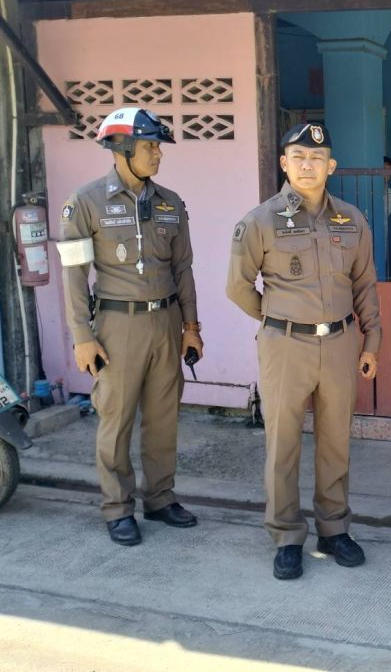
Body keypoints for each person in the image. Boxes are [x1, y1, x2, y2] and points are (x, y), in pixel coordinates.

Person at [225, 122, 381, 580]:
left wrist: (371, 340)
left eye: (317, 158)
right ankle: (286, 536)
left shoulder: (351, 220)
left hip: (339, 343)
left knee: (336, 441)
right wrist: (276, 318)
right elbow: (237, 287)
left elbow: (364, 285)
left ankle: (334, 530)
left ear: (331, 166)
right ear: (284, 164)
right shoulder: (260, 221)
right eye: (298, 157)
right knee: (283, 443)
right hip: (285, 346)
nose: (307, 165)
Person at [55, 107, 203, 546]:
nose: (158, 155)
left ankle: (160, 498)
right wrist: (82, 336)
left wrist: (191, 327)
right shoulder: (85, 202)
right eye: (150, 147)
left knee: (163, 418)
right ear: (122, 150)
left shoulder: (171, 203)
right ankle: (118, 508)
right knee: (115, 419)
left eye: (158, 147)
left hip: (166, 321)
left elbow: (184, 269)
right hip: (117, 326)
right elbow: (74, 275)